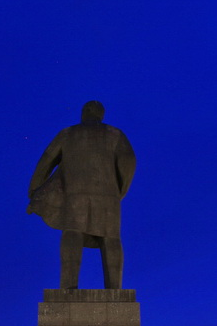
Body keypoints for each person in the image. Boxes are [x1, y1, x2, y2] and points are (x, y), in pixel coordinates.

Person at [28, 101, 136, 289]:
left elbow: (46, 160)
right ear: (101, 115)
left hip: (74, 193)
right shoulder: (115, 134)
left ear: (83, 113)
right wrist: (121, 189)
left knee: (72, 233)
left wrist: (35, 188)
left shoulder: (68, 133)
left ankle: (68, 287)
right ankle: (115, 289)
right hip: (108, 195)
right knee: (111, 237)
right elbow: (128, 161)